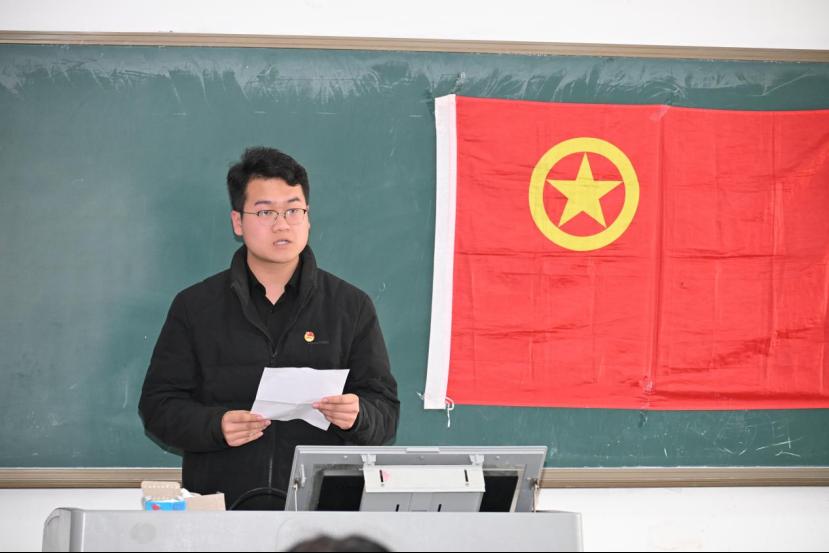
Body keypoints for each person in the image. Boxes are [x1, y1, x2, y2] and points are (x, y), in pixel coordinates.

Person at [138, 147, 400, 509]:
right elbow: (158, 408)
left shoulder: (350, 306)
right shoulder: (195, 306)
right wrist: (215, 426)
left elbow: (385, 412)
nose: (282, 224)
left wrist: (359, 415)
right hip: (221, 510)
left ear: (308, 218)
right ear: (237, 222)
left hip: (323, 514)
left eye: (293, 210)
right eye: (265, 212)